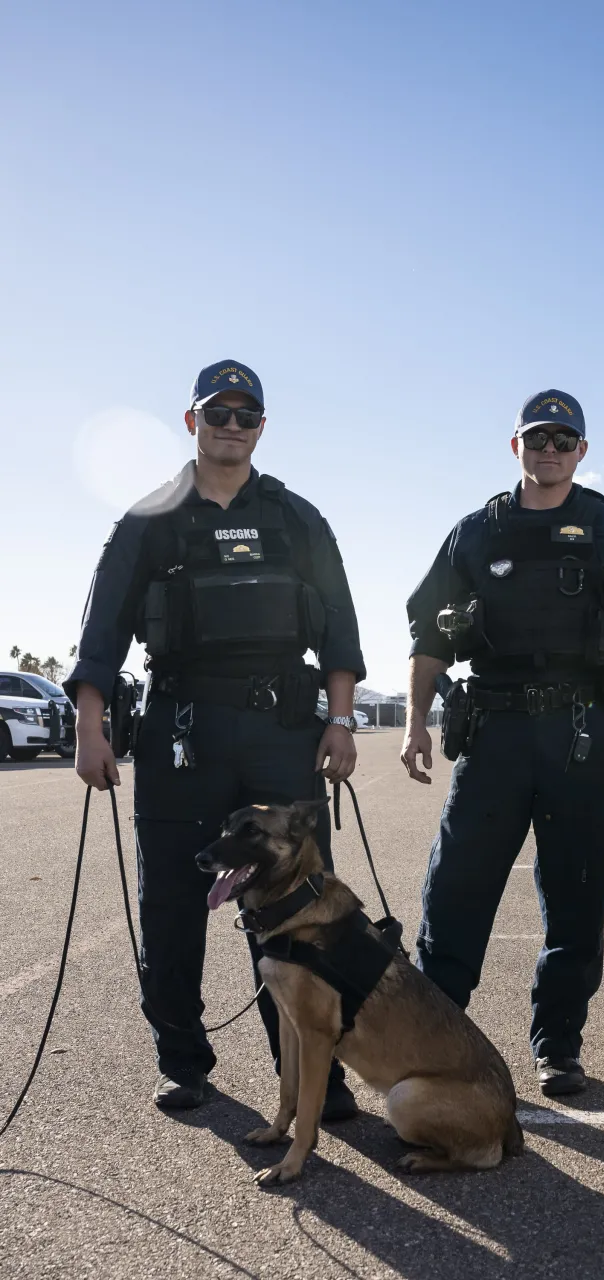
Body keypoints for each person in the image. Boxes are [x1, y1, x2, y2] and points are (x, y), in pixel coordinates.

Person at [65, 360, 365, 1116]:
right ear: (192, 421)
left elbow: (338, 629)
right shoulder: (147, 520)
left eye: (246, 415)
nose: (232, 426)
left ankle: (309, 1073)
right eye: (218, 414)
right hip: (181, 733)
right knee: (171, 902)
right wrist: (89, 730)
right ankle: (183, 1062)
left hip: (281, 733)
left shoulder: (298, 518)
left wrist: (339, 719)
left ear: (262, 426)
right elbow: (100, 636)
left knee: (299, 907)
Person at [401, 389, 604, 1098]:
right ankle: (435, 1043)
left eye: (563, 439)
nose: (549, 448)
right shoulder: (477, 531)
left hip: (577, 734)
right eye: (537, 437)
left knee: (574, 891)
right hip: (493, 730)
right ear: (515, 447)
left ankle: (557, 1046)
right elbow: (428, 635)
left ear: (581, 451)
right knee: (457, 889)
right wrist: (412, 722)